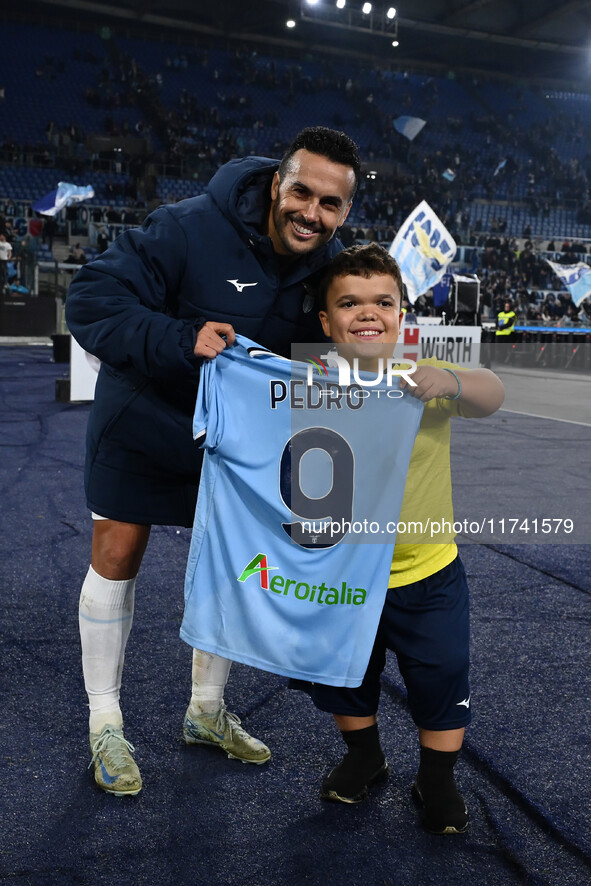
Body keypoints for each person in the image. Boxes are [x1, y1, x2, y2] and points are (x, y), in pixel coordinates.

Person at [65, 126, 362, 796]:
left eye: (330, 204)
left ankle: (204, 711)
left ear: (345, 211)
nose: (311, 213)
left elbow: (337, 348)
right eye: (301, 192)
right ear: (277, 182)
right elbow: (89, 300)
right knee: (115, 557)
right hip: (143, 419)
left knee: (232, 568)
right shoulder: (187, 226)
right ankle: (104, 722)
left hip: (235, 441)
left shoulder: (329, 264)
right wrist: (178, 336)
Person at [291, 243, 504, 834]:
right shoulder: (304, 382)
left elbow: (493, 393)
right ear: (326, 321)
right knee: (342, 675)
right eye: (350, 302)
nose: (368, 312)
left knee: (441, 672)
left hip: (427, 572)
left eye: (383, 301)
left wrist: (452, 381)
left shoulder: (423, 379)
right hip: (338, 572)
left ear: (402, 314)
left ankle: (436, 779)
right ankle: (366, 756)